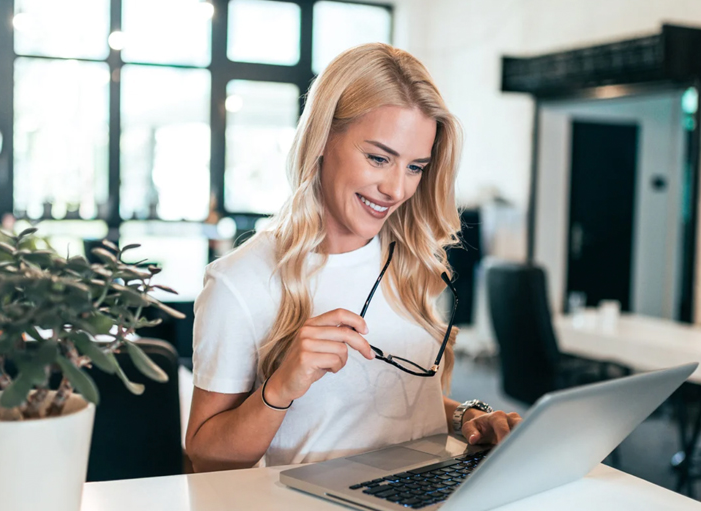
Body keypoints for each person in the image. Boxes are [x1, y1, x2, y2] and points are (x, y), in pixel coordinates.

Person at [186, 43, 520, 472]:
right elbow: (206, 454)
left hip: (420, 505)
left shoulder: (409, 260)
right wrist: (282, 384)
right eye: (379, 158)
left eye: (415, 167)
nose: (397, 189)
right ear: (323, 139)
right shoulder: (240, 282)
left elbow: (396, 401)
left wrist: (466, 418)